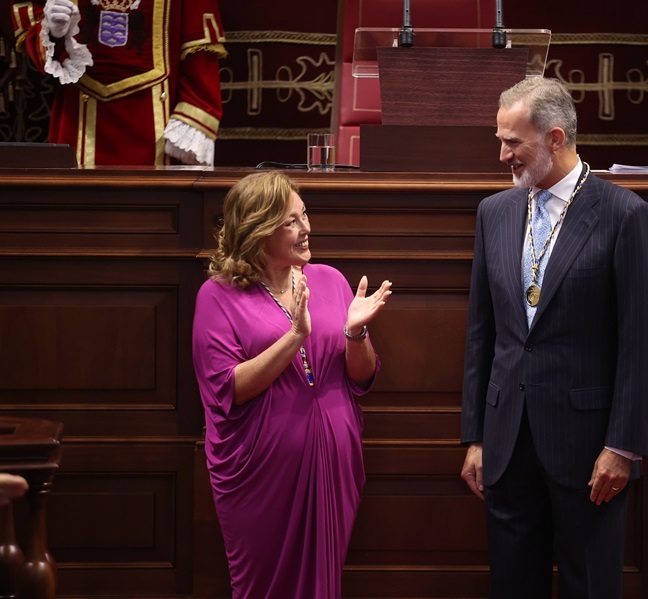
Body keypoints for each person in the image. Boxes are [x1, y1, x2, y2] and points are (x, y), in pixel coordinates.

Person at [459, 77, 648, 599]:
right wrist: (476, 436)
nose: (503, 154)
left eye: (513, 142)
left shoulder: (624, 215)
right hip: (507, 444)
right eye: (500, 139)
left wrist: (622, 445)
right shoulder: (495, 212)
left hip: (589, 448)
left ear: (555, 137)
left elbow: (643, 343)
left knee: (590, 587)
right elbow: (482, 333)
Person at [191, 171, 392, 599]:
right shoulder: (217, 295)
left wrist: (355, 334)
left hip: (334, 462)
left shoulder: (331, 280)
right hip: (259, 474)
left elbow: (362, 377)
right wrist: (295, 337)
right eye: (292, 221)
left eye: (306, 216)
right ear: (258, 228)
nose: (307, 229)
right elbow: (227, 389)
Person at [10, 0, 226, 166]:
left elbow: (200, 49)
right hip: (78, 120)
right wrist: (50, 30)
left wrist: (193, 117)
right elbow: (33, 21)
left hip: (155, 127)